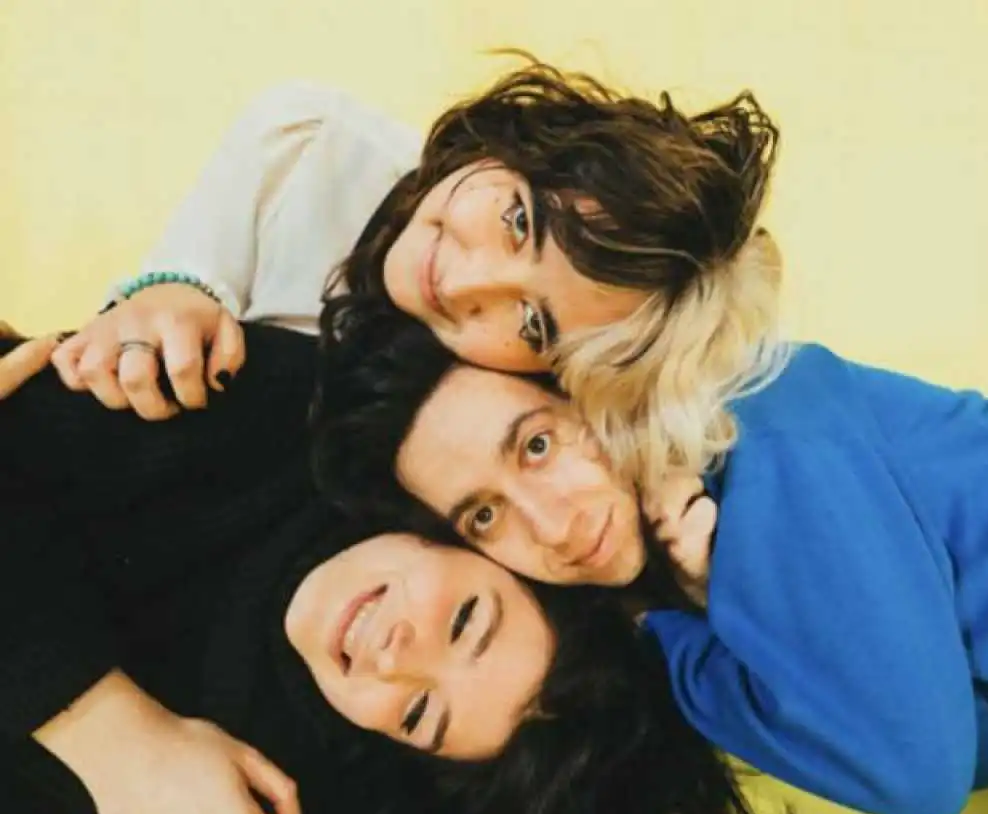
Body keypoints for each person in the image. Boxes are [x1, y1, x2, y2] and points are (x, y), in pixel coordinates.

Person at [0, 326, 908, 814]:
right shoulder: (289, 415)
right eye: (468, 620)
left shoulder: (315, 788)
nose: (393, 657)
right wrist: (112, 737)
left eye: (418, 714)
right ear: (472, 538)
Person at [309, 297, 988, 814]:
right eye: (485, 517)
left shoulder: (758, 417)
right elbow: (980, 745)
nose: (554, 526)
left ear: (593, 386)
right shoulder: (689, 607)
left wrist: (700, 619)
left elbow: (922, 773)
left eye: (538, 446)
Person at [48, 57, 781, 499]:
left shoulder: (486, 416)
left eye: (532, 323)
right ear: (517, 147)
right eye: (518, 220)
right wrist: (171, 295)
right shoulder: (308, 145)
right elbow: (177, 288)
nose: (467, 283)